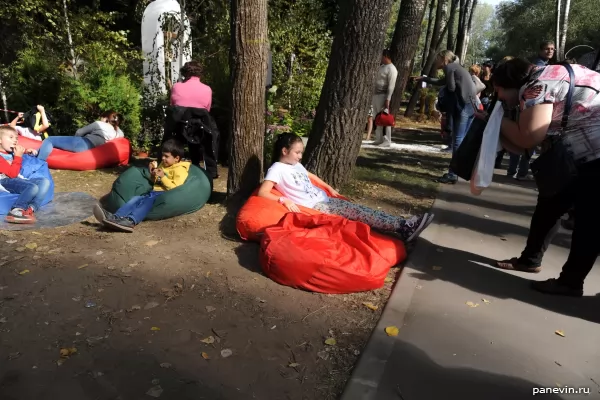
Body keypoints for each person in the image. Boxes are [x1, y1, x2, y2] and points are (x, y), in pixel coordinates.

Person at [492, 58, 600, 297]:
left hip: (594, 156)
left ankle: (570, 283)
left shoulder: (538, 85)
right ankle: (530, 260)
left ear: (509, 84)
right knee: (551, 203)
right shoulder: (549, 74)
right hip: (582, 153)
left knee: (589, 221)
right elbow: (524, 144)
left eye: (498, 90)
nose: (498, 97)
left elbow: (528, 137)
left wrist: (496, 121)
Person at [258, 133, 434, 242]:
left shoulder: (295, 165)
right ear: (284, 151)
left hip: (325, 199)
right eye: (297, 152)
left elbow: (311, 176)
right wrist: (283, 199)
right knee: (360, 213)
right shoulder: (277, 168)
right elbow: (263, 192)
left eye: (301, 152)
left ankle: (401, 226)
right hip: (316, 207)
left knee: (359, 210)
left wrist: (329, 188)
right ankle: (403, 226)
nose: (300, 156)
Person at [93, 139, 190, 232]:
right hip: (154, 191)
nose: (163, 158)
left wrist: (163, 177)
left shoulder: (180, 169)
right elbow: (156, 180)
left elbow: (177, 188)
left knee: (147, 202)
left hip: (164, 194)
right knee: (136, 199)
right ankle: (116, 217)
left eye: (166, 156)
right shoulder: (164, 164)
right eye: (162, 155)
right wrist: (153, 174)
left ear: (177, 158)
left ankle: (131, 221)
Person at [419, 50, 478, 184]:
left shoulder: (450, 67)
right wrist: (425, 79)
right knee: (463, 141)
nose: (436, 62)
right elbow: (442, 81)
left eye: (438, 59)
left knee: (457, 140)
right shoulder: (457, 67)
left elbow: (450, 87)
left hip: (463, 105)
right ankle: (463, 170)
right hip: (471, 105)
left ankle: (452, 174)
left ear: (444, 59)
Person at [0, 126, 50, 224]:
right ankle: (15, 210)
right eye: (11, 137)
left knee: (45, 182)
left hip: (17, 179)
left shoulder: (11, 152)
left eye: (16, 138)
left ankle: (30, 209)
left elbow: (22, 157)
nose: (15, 140)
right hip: (4, 180)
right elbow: (12, 175)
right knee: (32, 187)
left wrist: (28, 152)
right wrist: (18, 156)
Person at [37, 111, 124, 161]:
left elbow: (79, 132)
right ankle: (36, 154)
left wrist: (73, 140)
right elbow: (121, 134)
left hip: (82, 143)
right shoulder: (116, 132)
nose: (100, 119)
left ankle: (39, 162)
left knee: (50, 139)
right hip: (91, 149)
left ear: (105, 118)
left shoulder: (99, 124)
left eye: (101, 117)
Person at [371, 49, 398, 147]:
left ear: (386, 56)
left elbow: (391, 85)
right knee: (376, 117)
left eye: (381, 56)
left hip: (383, 95)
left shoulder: (392, 69)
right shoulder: (381, 67)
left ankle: (387, 140)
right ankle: (379, 138)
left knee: (385, 118)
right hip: (375, 95)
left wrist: (388, 98)